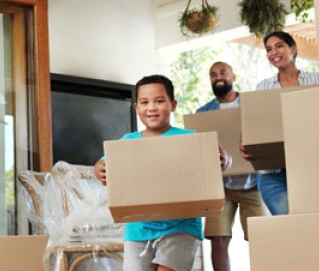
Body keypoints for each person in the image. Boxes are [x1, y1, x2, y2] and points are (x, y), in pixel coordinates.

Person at [94, 74, 228, 271]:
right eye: (145, 102)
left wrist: (225, 159)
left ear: (172, 105)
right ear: (136, 108)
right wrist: (99, 169)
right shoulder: (127, 142)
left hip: (181, 227)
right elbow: (103, 164)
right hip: (138, 230)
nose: (152, 107)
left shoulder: (188, 138)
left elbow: (219, 159)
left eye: (159, 101)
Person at [239, 31, 319, 216]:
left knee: (314, 219)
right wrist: (247, 141)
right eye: (268, 49)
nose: (273, 52)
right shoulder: (263, 88)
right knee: (288, 221)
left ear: (293, 48)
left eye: (279, 45)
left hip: (311, 166)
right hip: (273, 173)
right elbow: (257, 125)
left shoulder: (317, 81)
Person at [197, 62, 268, 271]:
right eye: (213, 75)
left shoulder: (251, 105)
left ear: (233, 76)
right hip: (221, 187)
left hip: (254, 184)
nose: (218, 77)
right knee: (218, 240)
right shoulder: (202, 113)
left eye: (222, 73)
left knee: (260, 239)